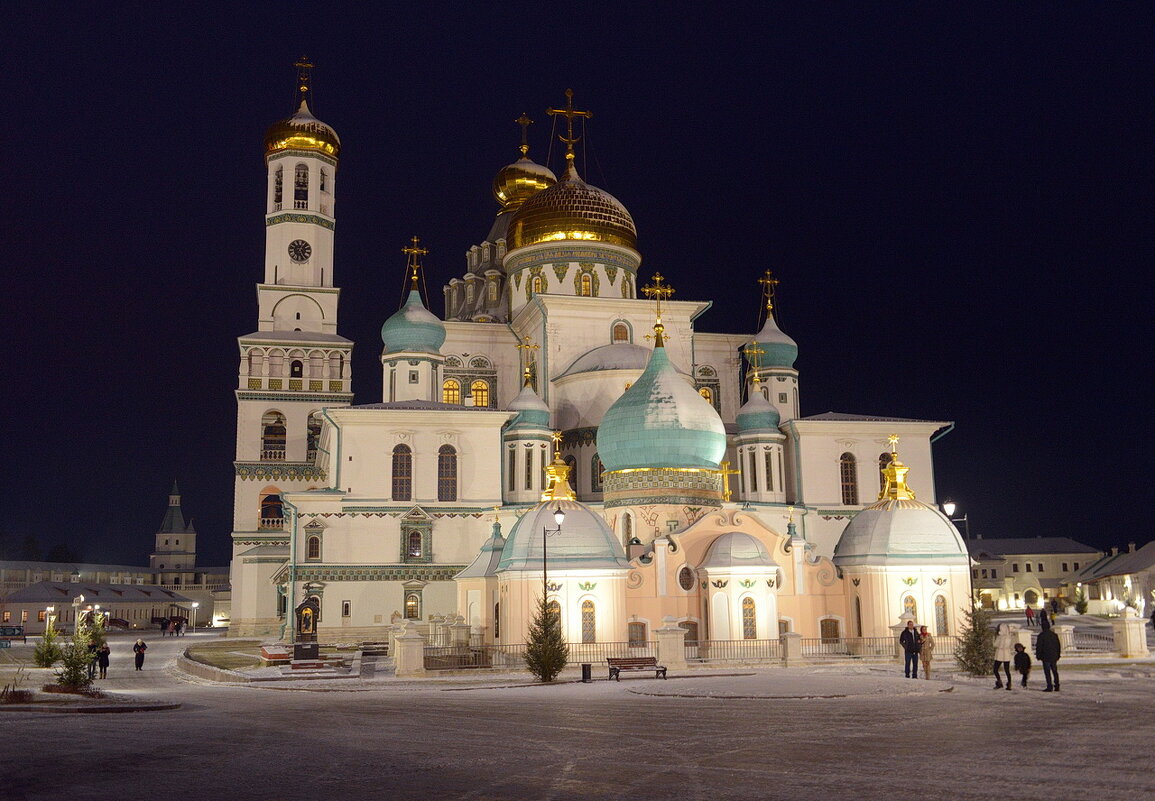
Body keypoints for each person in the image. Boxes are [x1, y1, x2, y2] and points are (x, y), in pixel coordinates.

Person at [1035, 616, 1061, 692]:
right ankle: (1057, 685)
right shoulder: (1054, 635)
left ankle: (1049, 686)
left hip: (1045, 656)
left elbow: (1039, 647)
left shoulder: (1041, 636)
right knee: (1055, 671)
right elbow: (1058, 646)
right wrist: (1058, 654)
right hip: (1053, 656)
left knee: (1047, 672)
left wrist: (1038, 655)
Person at [993, 623, 1015, 690]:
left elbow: (995, 645)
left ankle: (999, 682)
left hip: (999, 654)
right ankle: (1009, 684)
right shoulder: (1010, 637)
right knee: (1007, 670)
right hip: (1006, 654)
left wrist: (993, 638)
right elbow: (1012, 646)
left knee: (995, 669)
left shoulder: (999, 637)